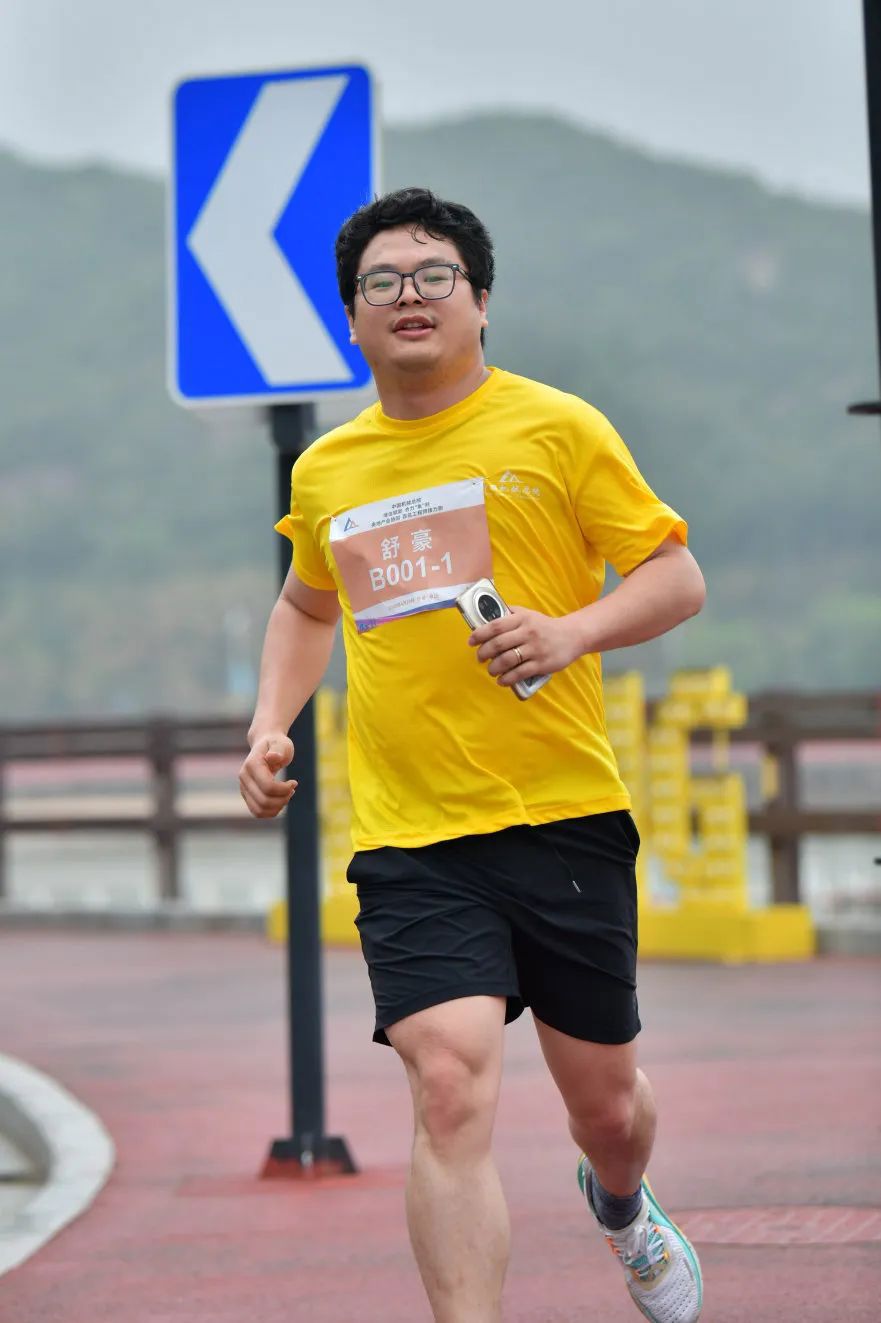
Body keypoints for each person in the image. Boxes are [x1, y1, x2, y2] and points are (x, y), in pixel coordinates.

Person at [239, 187, 706, 1323]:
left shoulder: (558, 428)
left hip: (561, 815)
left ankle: (621, 1202)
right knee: (445, 1086)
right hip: (411, 835)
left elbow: (674, 576)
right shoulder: (330, 470)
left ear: (481, 300)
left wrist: (571, 632)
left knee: (605, 1109)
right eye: (381, 282)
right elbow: (305, 606)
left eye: (433, 276)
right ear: (351, 317)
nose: (409, 296)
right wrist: (267, 724)